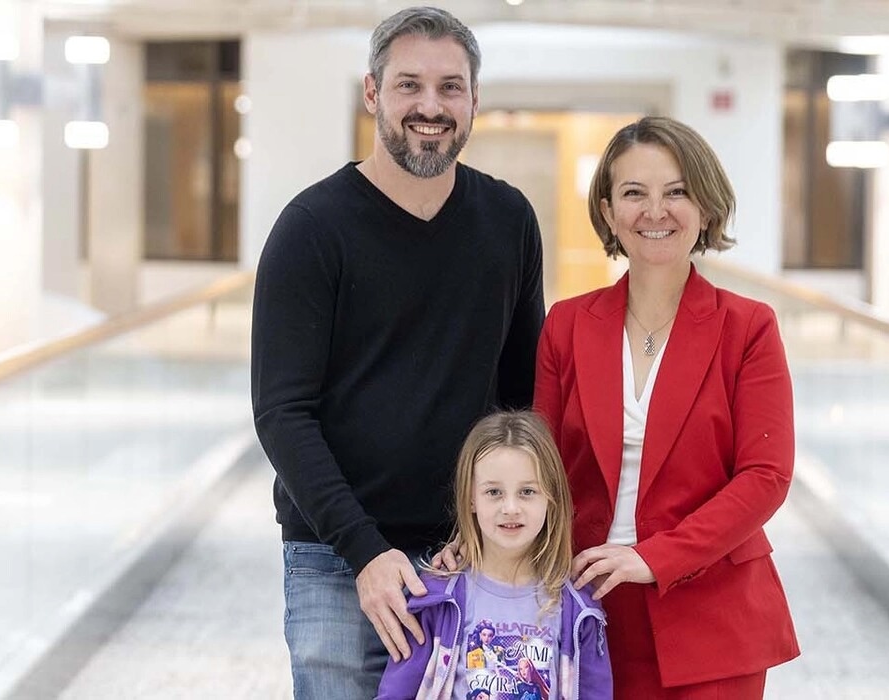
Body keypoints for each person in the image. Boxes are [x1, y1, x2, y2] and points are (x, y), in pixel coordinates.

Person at [250, 6, 545, 698]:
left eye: (450, 87)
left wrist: (490, 531)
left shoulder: (507, 222)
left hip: (469, 554)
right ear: (373, 93)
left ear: (475, 100)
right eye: (410, 85)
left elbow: (522, 399)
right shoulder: (312, 229)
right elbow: (282, 413)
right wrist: (364, 551)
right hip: (334, 556)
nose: (431, 106)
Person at [533, 117, 799, 698]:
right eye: (634, 193)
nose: (656, 211)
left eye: (676, 191)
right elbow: (541, 470)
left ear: (705, 207)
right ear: (608, 212)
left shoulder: (748, 327)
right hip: (585, 610)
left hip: (711, 615)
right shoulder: (567, 325)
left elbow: (765, 477)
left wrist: (652, 558)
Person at [375, 411, 611, 700]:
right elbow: (394, 694)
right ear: (471, 498)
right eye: (494, 492)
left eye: (527, 491)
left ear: (551, 498)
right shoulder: (436, 598)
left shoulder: (578, 608)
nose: (510, 507)